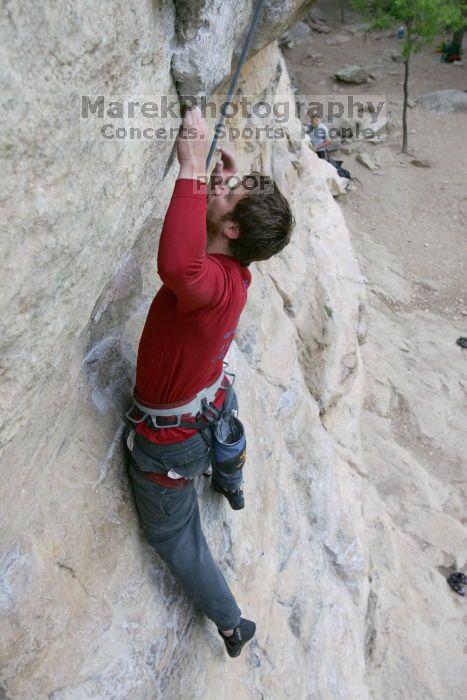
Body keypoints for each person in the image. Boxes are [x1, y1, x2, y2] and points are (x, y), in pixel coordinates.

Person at [124, 106, 295, 658]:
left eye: (226, 195)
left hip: (172, 442)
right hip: (211, 404)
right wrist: (229, 187)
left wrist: (193, 168)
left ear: (231, 230)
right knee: (223, 421)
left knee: (173, 535)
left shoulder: (205, 281)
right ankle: (232, 482)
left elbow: (176, 266)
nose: (217, 189)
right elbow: (210, 241)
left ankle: (231, 623)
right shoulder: (236, 268)